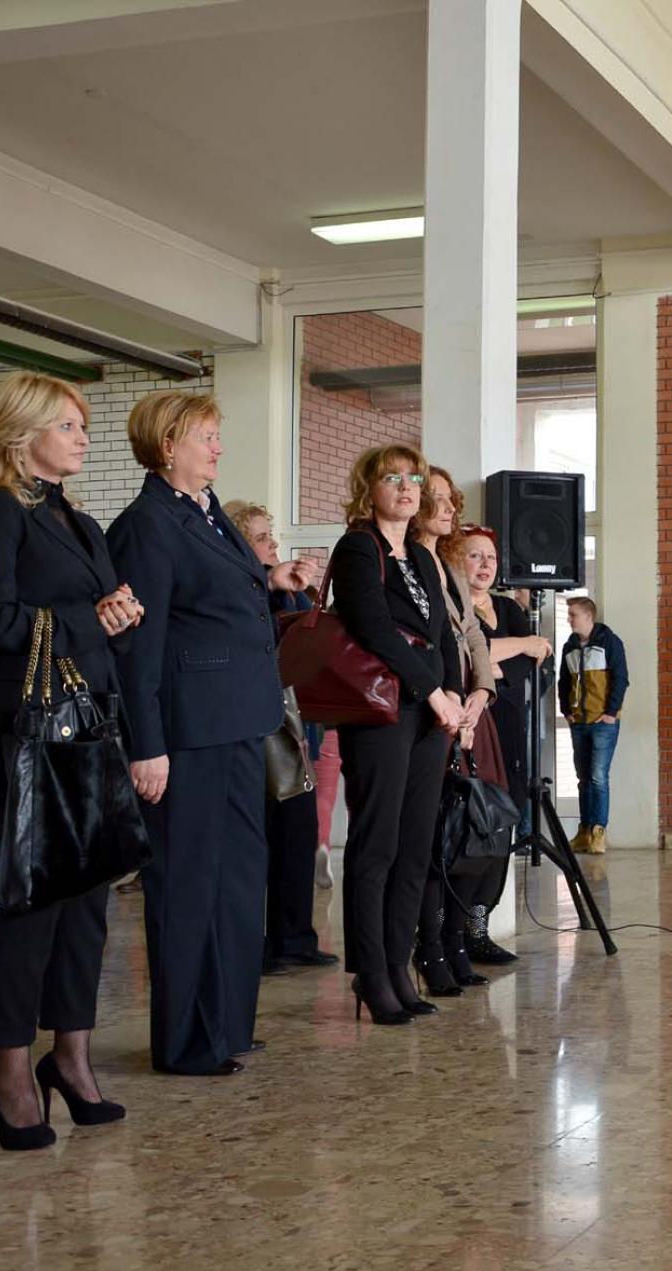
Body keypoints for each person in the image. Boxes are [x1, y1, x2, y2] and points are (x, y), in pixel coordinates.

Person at [0, 371, 144, 1150]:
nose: (83, 437)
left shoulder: (77, 520)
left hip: (86, 720)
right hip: (19, 722)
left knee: (89, 891)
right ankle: (9, 1073)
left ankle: (71, 1056)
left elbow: (94, 626)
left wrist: (117, 620)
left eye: (82, 426)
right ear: (21, 432)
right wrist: (91, 617)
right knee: (35, 891)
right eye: (67, 425)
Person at [108, 392, 310, 1076]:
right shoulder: (146, 524)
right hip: (186, 731)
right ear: (168, 445)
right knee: (188, 883)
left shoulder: (207, 511)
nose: (218, 447)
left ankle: (227, 1024)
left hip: (238, 721)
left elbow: (218, 595)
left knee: (239, 877)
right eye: (206, 436)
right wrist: (146, 743)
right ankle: (186, 1040)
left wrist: (270, 579)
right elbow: (139, 646)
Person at [328, 444, 464, 1024]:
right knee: (376, 845)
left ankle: (399, 966)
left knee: (414, 847)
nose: (407, 488)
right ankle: (371, 972)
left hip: (430, 717)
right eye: (393, 478)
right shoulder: (358, 548)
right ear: (370, 489)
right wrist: (433, 692)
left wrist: (454, 691)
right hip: (382, 713)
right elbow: (375, 629)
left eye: (413, 479)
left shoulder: (422, 557)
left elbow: (443, 634)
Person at [221, 499, 335, 975]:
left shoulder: (290, 592)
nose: (273, 545)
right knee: (261, 837)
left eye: (272, 536)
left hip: (294, 726)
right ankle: (260, 944)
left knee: (298, 831)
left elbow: (313, 638)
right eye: (263, 537)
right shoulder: (238, 590)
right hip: (255, 727)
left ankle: (295, 937)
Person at [409, 468, 497, 995]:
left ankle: (456, 941)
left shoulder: (450, 568)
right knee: (432, 839)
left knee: (463, 833)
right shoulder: (406, 565)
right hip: (431, 710)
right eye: (437, 499)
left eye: (450, 500)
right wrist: (450, 699)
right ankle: (430, 947)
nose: (448, 509)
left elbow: (473, 636)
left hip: (466, 707)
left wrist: (481, 693)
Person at [456, 527, 550, 962]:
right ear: (457, 562)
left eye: (491, 557)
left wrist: (497, 656)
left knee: (500, 829)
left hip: (509, 730)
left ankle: (478, 928)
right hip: (469, 729)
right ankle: (447, 931)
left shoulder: (509, 609)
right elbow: (467, 659)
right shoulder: (454, 607)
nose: (485, 564)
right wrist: (521, 645)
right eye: (475, 555)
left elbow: (526, 666)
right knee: (464, 830)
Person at [559, 596, 628, 855]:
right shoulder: (569, 646)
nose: (569, 619)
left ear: (588, 616)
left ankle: (599, 832)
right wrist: (567, 711)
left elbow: (621, 678)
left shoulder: (609, 642)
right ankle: (584, 832)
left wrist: (610, 713)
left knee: (598, 778)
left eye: (573, 615)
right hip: (579, 722)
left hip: (602, 723)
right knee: (583, 779)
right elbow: (563, 681)